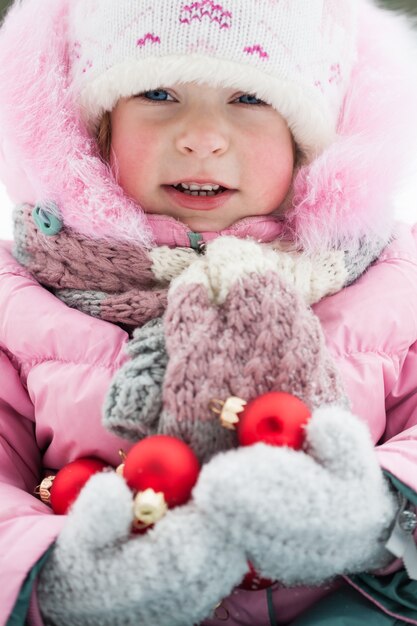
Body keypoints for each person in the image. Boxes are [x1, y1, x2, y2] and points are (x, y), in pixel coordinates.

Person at [1, 0, 417, 624]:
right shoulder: (22, 296)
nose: (201, 136)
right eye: (158, 91)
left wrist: (376, 508)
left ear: (310, 139)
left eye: (249, 97)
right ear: (95, 130)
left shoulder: (391, 281)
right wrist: (58, 580)